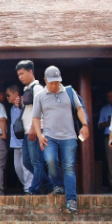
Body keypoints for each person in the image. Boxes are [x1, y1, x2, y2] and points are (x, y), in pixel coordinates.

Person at [31, 66, 89, 213]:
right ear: (45, 81)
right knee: (50, 161)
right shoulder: (40, 96)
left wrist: (85, 125)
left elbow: (80, 109)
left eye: (57, 82)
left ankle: (71, 199)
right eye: (51, 82)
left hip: (69, 136)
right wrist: (39, 135)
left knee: (69, 167)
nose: (55, 85)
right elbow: (36, 118)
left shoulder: (69, 91)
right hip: (49, 136)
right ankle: (59, 185)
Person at [17, 60, 52, 195]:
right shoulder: (27, 89)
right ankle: (51, 185)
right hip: (27, 131)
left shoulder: (37, 88)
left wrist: (33, 128)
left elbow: (40, 110)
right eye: (18, 74)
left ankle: (34, 190)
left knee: (36, 163)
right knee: (27, 162)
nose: (20, 77)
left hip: (35, 130)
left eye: (22, 73)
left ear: (30, 72)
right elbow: (29, 110)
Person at [6, 85, 31, 192]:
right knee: (17, 167)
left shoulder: (24, 103)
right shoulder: (12, 108)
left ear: (16, 94)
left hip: (25, 141)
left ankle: (28, 189)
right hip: (15, 143)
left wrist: (21, 103)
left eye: (8, 95)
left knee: (26, 166)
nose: (7, 97)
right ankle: (27, 186)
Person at [97, 90, 112, 189]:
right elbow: (100, 124)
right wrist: (107, 123)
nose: (110, 98)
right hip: (108, 136)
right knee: (111, 161)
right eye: (108, 96)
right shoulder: (104, 109)